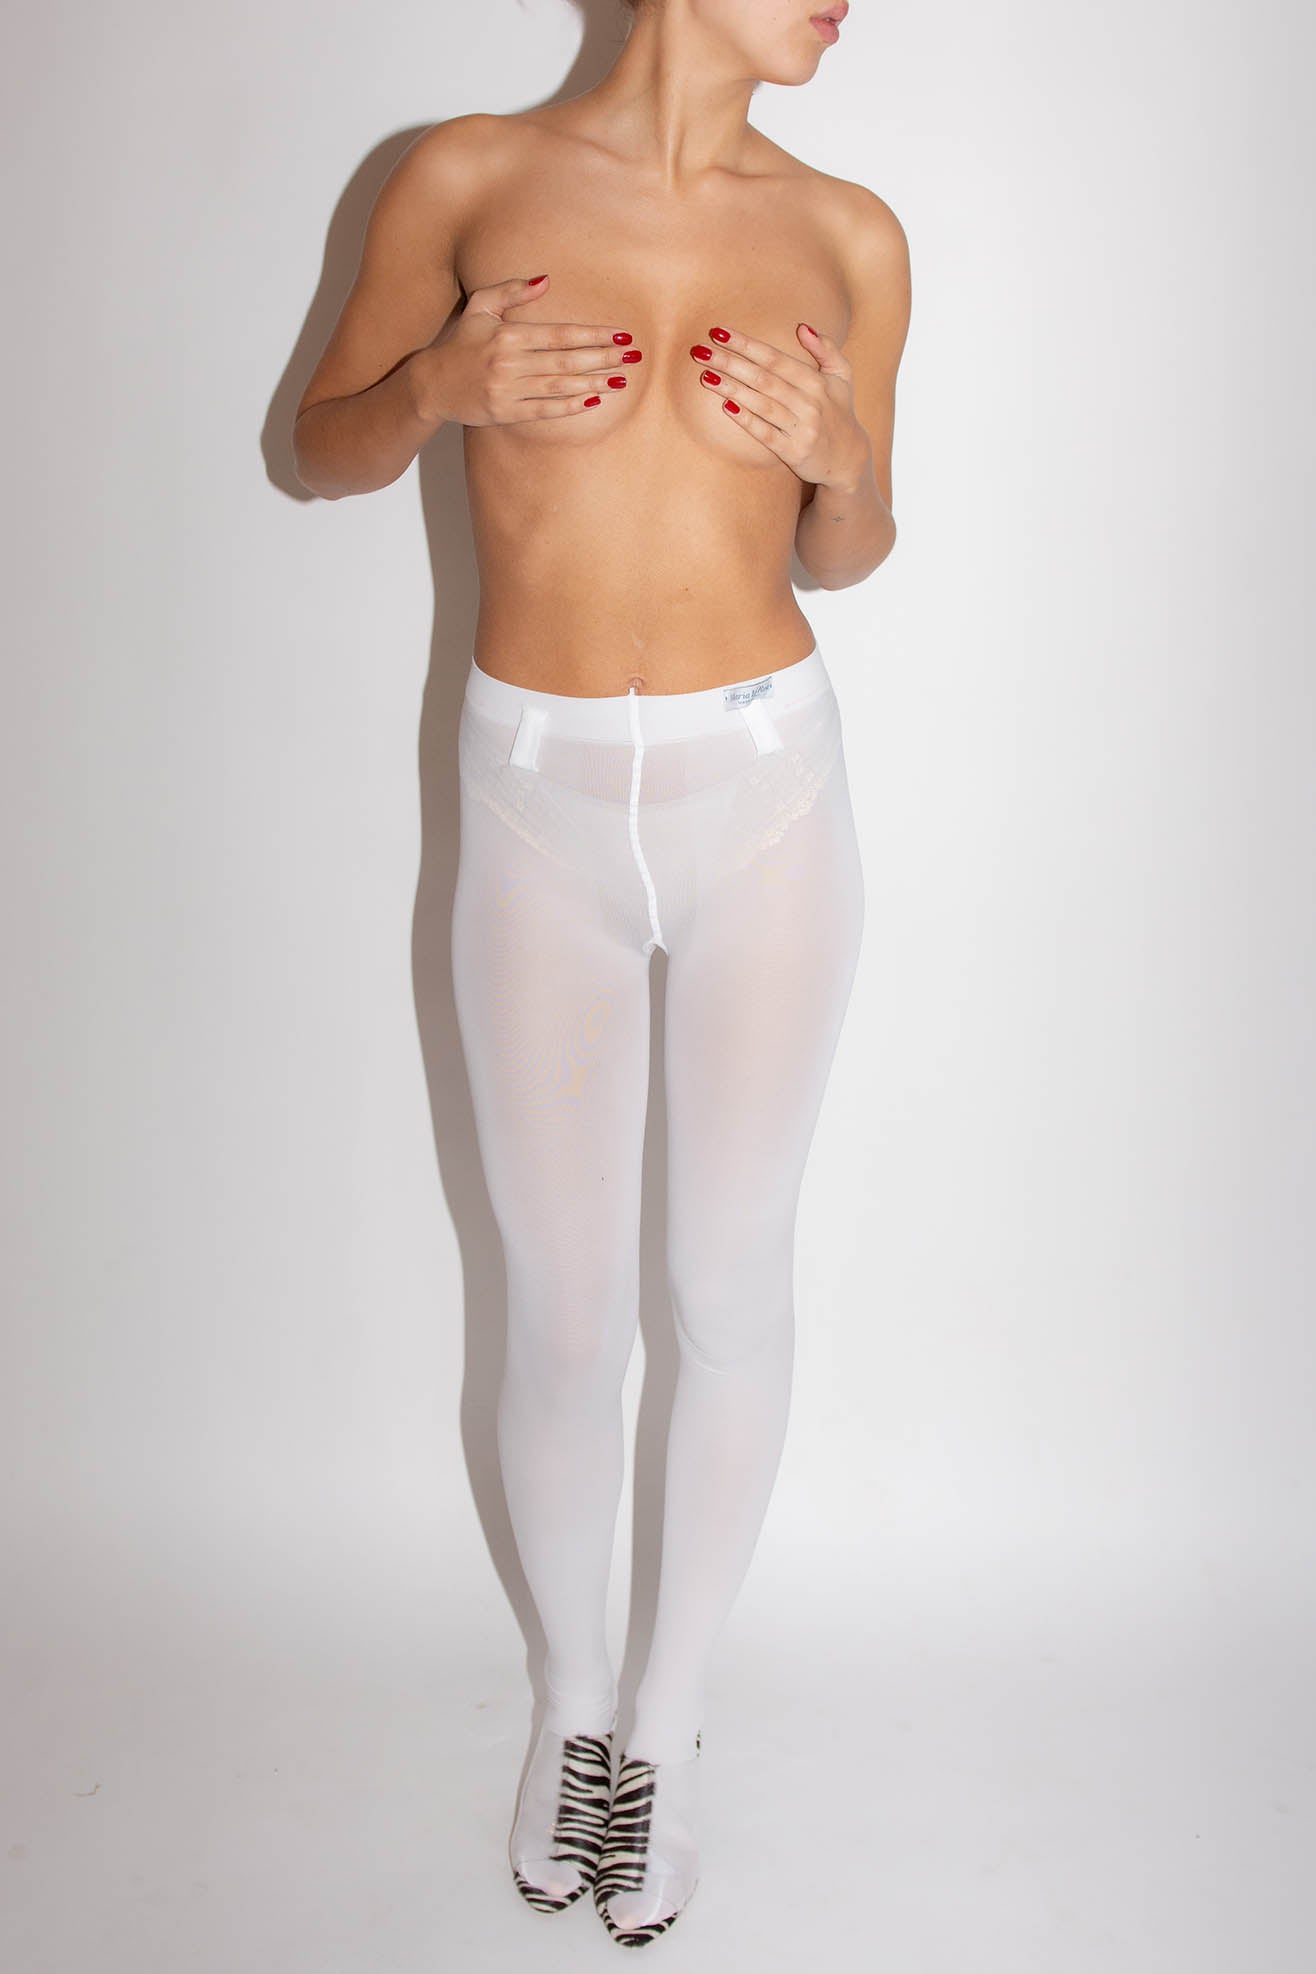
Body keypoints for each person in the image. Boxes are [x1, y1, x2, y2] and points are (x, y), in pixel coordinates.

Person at [292, 0, 910, 1946]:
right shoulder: (466, 177)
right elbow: (318, 445)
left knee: (726, 1280)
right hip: (537, 793)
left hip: (767, 784)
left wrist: (840, 462)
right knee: (562, 1311)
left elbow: (852, 548)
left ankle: (665, 1727)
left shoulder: (849, 233)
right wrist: (443, 382)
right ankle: (571, 1707)